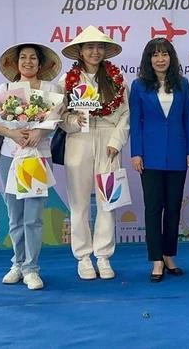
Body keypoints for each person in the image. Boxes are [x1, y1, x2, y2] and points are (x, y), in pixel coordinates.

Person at [59, 26, 129, 280]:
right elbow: (59, 117)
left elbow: (125, 116)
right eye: (89, 47)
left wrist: (116, 141)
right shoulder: (66, 81)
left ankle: (103, 256)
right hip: (79, 142)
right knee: (78, 203)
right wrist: (73, 120)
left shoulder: (117, 79)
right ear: (80, 51)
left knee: (108, 201)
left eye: (99, 47)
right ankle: (83, 257)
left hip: (109, 143)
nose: (95, 52)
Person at [0, 42, 62, 290]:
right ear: (15, 63)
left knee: (33, 216)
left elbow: (54, 120)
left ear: (41, 64)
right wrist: (13, 135)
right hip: (9, 157)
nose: (28, 62)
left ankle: (32, 268)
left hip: (37, 158)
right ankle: (17, 264)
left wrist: (39, 133)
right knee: (15, 215)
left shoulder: (50, 88)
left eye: (33, 58)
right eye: (23, 58)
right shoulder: (6, 88)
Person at [129, 38, 189, 283]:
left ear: (171, 58)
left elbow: (188, 118)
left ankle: (169, 255)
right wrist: (136, 153)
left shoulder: (183, 84)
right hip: (150, 155)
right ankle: (156, 260)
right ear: (149, 59)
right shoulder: (138, 86)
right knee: (153, 209)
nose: (160, 59)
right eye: (155, 55)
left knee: (174, 208)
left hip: (178, 153)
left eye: (164, 54)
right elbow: (135, 122)